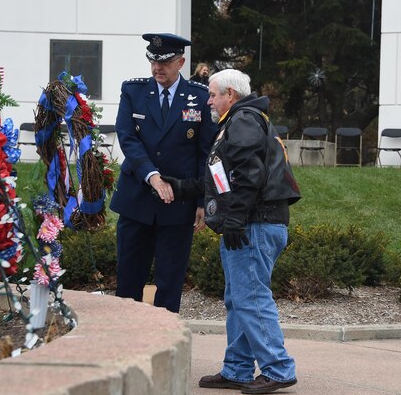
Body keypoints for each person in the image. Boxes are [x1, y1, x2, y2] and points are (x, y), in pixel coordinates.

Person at [161, 69, 301, 394]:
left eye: (212, 94)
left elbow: (249, 172)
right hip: (254, 221)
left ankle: (278, 368)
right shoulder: (241, 121)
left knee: (250, 297)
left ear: (230, 96)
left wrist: (236, 219)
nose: (208, 100)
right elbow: (222, 178)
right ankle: (237, 369)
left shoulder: (243, 120)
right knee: (239, 299)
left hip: (254, 223)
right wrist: (181, 188)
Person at [110, 33, 217, 313]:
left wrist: (201, 201)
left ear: (180, 62)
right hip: (137, 200)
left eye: (166, 62)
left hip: (178, 204)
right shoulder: (133, 91)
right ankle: (126, 344)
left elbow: (204, 153)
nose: (158, 67)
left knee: (170, 282)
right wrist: (152, 176)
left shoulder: (199, 96)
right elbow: (128, 139)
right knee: (128, 280)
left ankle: (164, 345)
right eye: (153, 60)